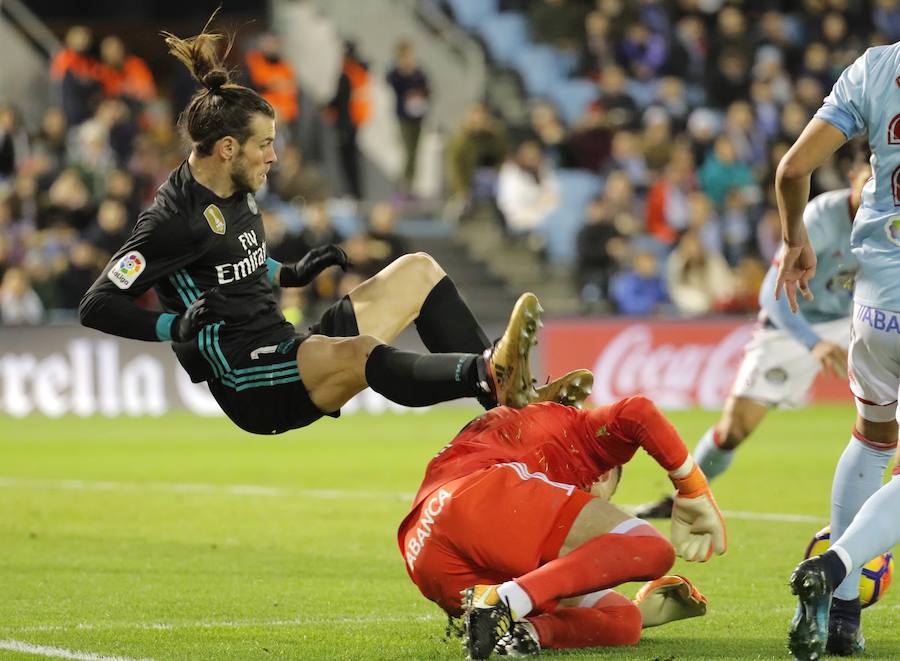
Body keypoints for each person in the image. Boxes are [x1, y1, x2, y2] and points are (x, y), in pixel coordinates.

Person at [78, 17, 576, 437]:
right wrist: (171, 325)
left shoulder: (236, 184)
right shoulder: (168, 220)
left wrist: (286, 273)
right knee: (362, 353)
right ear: (228, 148)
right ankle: (489, 374)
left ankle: (520, 421)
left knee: (418, 271)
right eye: (265, 144)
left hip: (287, 343)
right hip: (247, 377)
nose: (273, 156)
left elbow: (229, 261)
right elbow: (97, 304)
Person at [398, 390, 727, 659]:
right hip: (476, 498)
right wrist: (692, 488)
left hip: (428, 556)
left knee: (625, 622)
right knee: (652, 550)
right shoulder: (581, 437)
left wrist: (639, 612)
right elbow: (637, 411)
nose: (599, 505)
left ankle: (525, 632)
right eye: (604, 497)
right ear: (604, 475)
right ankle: (506, 600)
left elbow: (584, 598)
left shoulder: (525, 441)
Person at [637, 164, 868, 520]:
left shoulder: (887, 219)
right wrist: (812, 343)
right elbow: (770, 293)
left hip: (850, 320)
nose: (874, 188)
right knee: (734, 430)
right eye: (868, 178)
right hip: (793, 325)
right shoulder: (821, 216)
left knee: (888, 407)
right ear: (852, 176)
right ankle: (683, 498)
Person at [775, 44, 900, 660]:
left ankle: (844, 619)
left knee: (873, 439)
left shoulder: (876, 67)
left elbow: (792, 170)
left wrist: (795, 239)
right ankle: (841, 561)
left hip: (876, 304)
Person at [386, 40, 430, 191]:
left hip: (417, 116)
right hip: (403, 117)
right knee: (408, 151)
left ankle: (410, 184)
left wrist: (419, 93)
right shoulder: (396, 73)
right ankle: (404, 184)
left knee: (415, 152)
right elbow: (392, 82)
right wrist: (404, 72)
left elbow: (428, 89)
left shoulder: (418, 72)